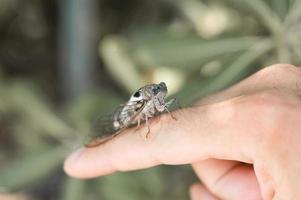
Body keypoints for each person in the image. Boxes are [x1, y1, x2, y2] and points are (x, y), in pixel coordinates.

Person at [64, 64, 301, 199]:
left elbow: (163, 108)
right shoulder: (144, 102)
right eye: (157, 93)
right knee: (126, 126)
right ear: (151, 95)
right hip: (126, 116)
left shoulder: (159, 100)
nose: (161, 95)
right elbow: (144, 114)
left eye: (161, 92)